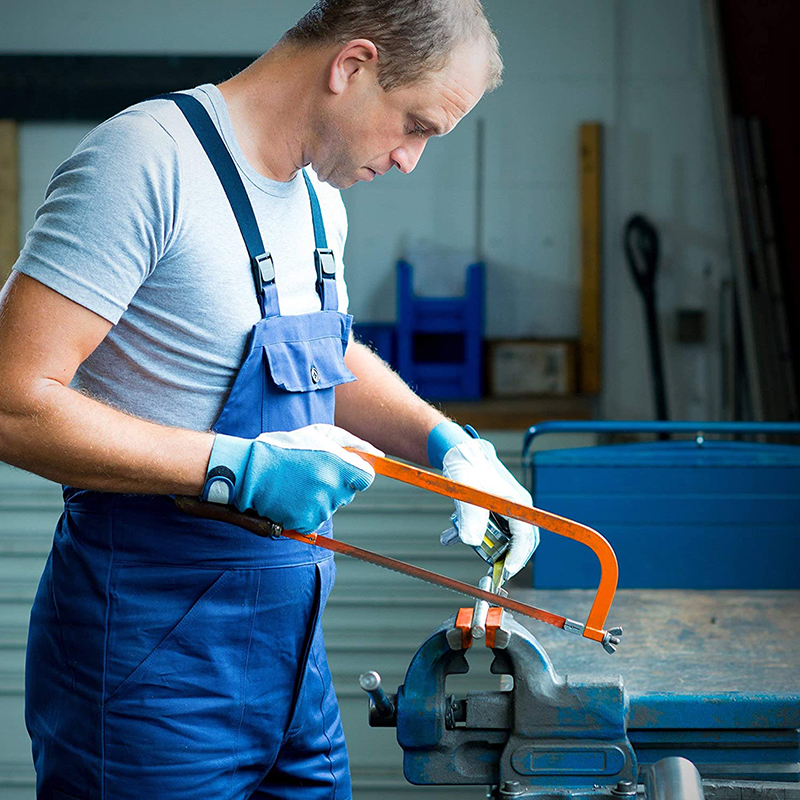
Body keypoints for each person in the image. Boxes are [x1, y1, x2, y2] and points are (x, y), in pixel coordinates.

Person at [0, 1, 539, 798]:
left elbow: (324, 354)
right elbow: (13, 400)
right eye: (415, 125)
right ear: (350, 66)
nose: (410, 159)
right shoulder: (145, 161)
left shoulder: (321, 202)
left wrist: (449, 446)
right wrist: (233, 470)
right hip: (153, 672)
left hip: (294, 670)